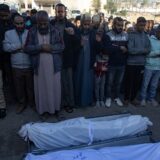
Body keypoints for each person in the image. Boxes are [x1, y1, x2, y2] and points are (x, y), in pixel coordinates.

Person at [25, 10, 64, 116]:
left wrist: (50, 48)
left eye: (45, 23)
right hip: (39, 66)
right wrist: (40, 47)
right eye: (40, 23)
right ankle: (43, 110)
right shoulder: (32, 31)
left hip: (54, 66)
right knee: (41, 89)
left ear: (48, 21)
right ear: (37, 22)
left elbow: (61, 46)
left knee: (54, 88)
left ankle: (55, 109)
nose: (42, 26)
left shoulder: (55, 30)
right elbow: (27, 48)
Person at [51, 3, 79, 112]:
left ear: (65, 12)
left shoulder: (70, 25)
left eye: (62, 11)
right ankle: (58, 103)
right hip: (53, 58)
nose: (60, 14)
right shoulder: (50, 24)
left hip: (67, 59)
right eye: (58, 12)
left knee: (68, 83)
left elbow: (78, 43)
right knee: (56, 82)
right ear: (55, 12)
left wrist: (73, 35)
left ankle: (69, 104)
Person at [3, 15, 35, 114]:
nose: (20, 25)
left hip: (28, 64)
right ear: (14, 23)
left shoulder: (29, 32)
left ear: (24, 22)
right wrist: (20, 46)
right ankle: (22, 104)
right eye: (17, 23)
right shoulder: (8, 33)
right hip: (16, 65)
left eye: (21, 23)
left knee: (30, 86)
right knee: (19, 87)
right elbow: (6, 47)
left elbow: (32, 47)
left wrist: (17, 49)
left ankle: (32, 103)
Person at [124, 17, 151, 105]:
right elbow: (131, 50)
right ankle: (126, 98)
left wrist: (139, 50)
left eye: (144, 25)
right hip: (131, 63)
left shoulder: (146, 36)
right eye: (140, 25)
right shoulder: (131, 34)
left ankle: (133, 98)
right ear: (137, 24)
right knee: (129, 82)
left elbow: (149, 49)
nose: (142, 27)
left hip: (141, 63)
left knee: (137, 82)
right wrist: (142, 50)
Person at [105, 17, 128, 107]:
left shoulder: (126, 35)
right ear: (114, 25)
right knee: (109, 83)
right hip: (111, 63)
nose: (120, 27)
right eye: (118, 25)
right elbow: (107, 49)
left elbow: (127, 49)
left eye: (121, 25)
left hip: (122, 64)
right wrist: (119, 47)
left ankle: (116, 97)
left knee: (118, 83)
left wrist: (126, 50)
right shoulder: (108, 35)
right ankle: (108, 97)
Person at [74, 14, 94, 107]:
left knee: (88, 80)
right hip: (79, 61)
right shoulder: (77, 32)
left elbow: (96, 47)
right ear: (81, 24)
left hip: (89, 60)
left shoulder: (93, 33)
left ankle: (87, 100)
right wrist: (79, 45)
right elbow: (73, 47)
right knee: (79, 79)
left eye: (88, 24)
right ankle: (78, 101)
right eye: (84, 24)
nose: (86, 26)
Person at [140, 25, 160, 107]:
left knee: (154, 85)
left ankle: (151, 99)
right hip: (149, 66)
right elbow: (147, 53)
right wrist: (157, 53)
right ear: (157, 31)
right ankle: (142, 98)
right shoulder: (150, 39)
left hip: (158, 67)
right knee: (145, 84)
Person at [0, 4, 11, 118]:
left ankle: (11, 100)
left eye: (5, 13)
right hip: (2, 57)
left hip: (9, 58)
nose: (4, 15)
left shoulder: (11, 23)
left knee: (10, 80)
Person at [94, 30, 108, 107]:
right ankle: (97, 100)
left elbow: (106, 55)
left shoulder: (105, 43)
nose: (99, 37)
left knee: (102, 85)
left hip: (104, 68)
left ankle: (102, 99)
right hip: (97, 69)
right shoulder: (96, 44)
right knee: (97, 85)